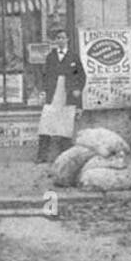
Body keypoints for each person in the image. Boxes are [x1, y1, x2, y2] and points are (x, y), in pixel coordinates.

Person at [36, 28, 86, 163]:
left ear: (67, 40)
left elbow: (81, 76)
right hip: (53, 93)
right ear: (55, 41)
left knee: (65, 126)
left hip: (68, 94)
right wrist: (44, 91)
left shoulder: (73, 57)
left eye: (63, 37)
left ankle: (64, 158)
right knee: (45, 124)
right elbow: (45, 76)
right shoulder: (51, 57)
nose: (60, 40)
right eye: (58, 38)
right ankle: (42, 156)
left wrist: (77, 90)